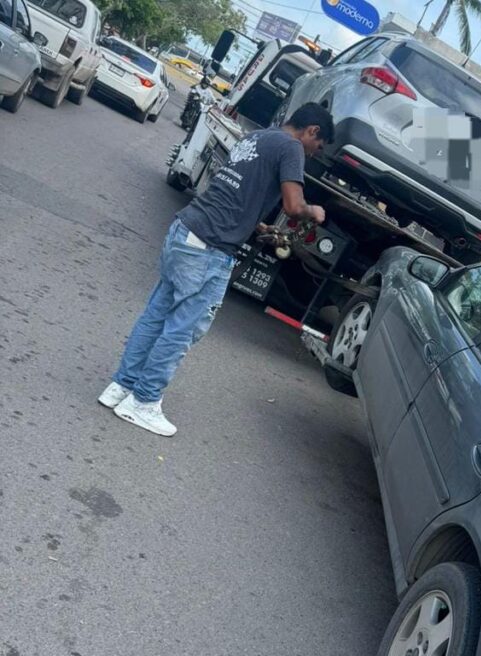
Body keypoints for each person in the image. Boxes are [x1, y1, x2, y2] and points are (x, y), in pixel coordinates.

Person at [98, 103, 334, 437]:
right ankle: (143, 402)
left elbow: (236, 193)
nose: (313, 153)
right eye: (318, 146)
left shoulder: (260, 137)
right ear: (312, 131)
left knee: (157, 315)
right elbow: (293, 206)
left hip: (185, 230)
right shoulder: (292, 146)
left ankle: (120, 387)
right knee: (183, 329)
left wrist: (259, 226)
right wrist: (315, 211)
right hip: (209, 248)